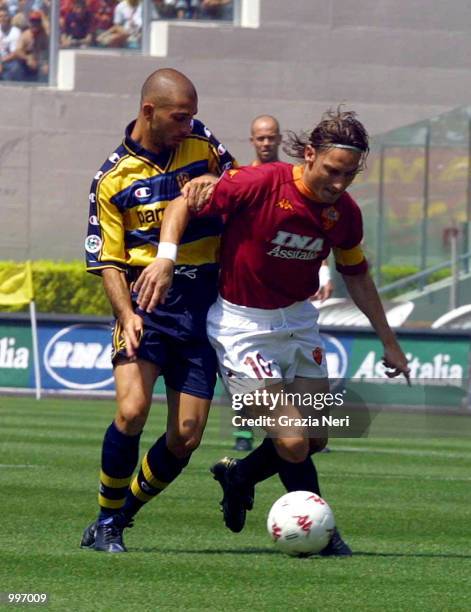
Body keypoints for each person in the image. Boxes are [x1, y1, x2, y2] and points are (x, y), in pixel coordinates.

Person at [134, 107, 411, 556]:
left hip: (299, 322)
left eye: (349, 176)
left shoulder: (344, 214)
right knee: (293, 440)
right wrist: (166, 257)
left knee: (317, 436)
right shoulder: (260, 183)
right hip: (243, 326)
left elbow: (356, 273)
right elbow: (185, 202)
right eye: (332, 171)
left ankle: (239, 475)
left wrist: (390, 342)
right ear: (308, 154)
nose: (339, 184)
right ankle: (326, 536)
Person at [81, 68, 236, 553]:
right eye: (180, 117)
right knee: (131, 411)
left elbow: (240, 183)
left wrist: (215, 177)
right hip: (148, 307)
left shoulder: (202, 141)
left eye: (192, 116)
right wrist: (126, 315)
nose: (188, 126)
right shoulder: (110, 178)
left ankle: (121, 516)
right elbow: (107, 260)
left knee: (186, 437)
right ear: (149, 112)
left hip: (203, 305)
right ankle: (105, 519)